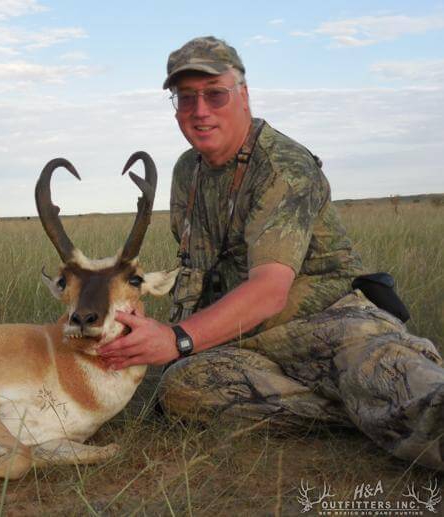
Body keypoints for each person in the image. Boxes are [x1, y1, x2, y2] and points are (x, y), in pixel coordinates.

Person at [99, 36, 444, 470]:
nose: (200, 110)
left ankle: (381, 398)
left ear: (243, 95)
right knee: (181, 388)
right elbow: (199, 273)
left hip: (331, 327)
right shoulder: (188, 171)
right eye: (186, 98)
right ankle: (357, 412)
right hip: (248, 341)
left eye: (215, 94)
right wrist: (144, 322)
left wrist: (176, 339)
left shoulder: (283, 166)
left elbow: (269, 290)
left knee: (405, 387)